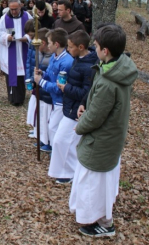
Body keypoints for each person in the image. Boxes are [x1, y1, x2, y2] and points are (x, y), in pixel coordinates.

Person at [69, 25, 138, 238]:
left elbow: (96, 116)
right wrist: (85, 105)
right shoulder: (115, 67)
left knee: (93, 184)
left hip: (101, 142)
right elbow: (96, 102)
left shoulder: (110, 82)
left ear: (105, 51)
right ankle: (99, 216)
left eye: (96, 46)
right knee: (98, 181)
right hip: (109, 140)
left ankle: (103, 224)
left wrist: (79, 125)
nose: (94, 50)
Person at [49, 30, 98, 184]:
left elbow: (86, 92)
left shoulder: (89, 66)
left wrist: (65, 88)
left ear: (81, 47)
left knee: (65, 141)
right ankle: (63, 170)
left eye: (70, 47)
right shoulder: (77, 59)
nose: (68, 50)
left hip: (77, 109)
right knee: (60, 140)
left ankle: (70, 172)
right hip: (70, 106)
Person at [33, 28, 74, 151]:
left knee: (54, 127)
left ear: (56, 44)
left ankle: (57, 150)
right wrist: (43, 73)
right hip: (54, 100)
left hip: (61, 101)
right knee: (51, 125)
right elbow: (51, 75)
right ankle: (53, 148)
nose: (48, 45)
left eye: (49, 42)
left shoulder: (66, 62)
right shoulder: (54, 57)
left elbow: (58, 87)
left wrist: (41, 81)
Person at [0, 0, 32, 106]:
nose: (13, 11)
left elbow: (34, 31)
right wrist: (7, 37)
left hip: (22, 51)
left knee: (21, 76)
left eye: (15, 9)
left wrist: (27, 38)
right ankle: (12, 97)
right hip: (10, 50)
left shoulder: (27, 17)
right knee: (12, 74)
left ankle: (20, 98)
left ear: (20, 7)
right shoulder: (4, 18)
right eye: (11, 9)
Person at [25, 27, 53, 147]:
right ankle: (39, 134)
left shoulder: (51, 56)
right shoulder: (40, 53)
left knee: (46, 117)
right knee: (37, 112)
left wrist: (40, 79)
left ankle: (46, 140)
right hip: (39, 88)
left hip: (47, 91)